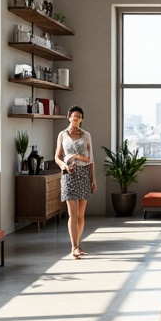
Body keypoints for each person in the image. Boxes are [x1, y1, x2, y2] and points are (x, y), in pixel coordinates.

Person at [54, 105, 96, 259]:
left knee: (81, 215)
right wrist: (64, 165)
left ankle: (79, 245)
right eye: (73, 115)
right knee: (72, 214)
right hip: (68, 175)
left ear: (82, 119)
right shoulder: (62, 135)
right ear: (69, 117)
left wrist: (93, 179)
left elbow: (91, 159)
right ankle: (74, 247)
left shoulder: (86, 135)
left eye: (79, 116)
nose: (76, 118)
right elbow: (57, 156)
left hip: (84, 174)